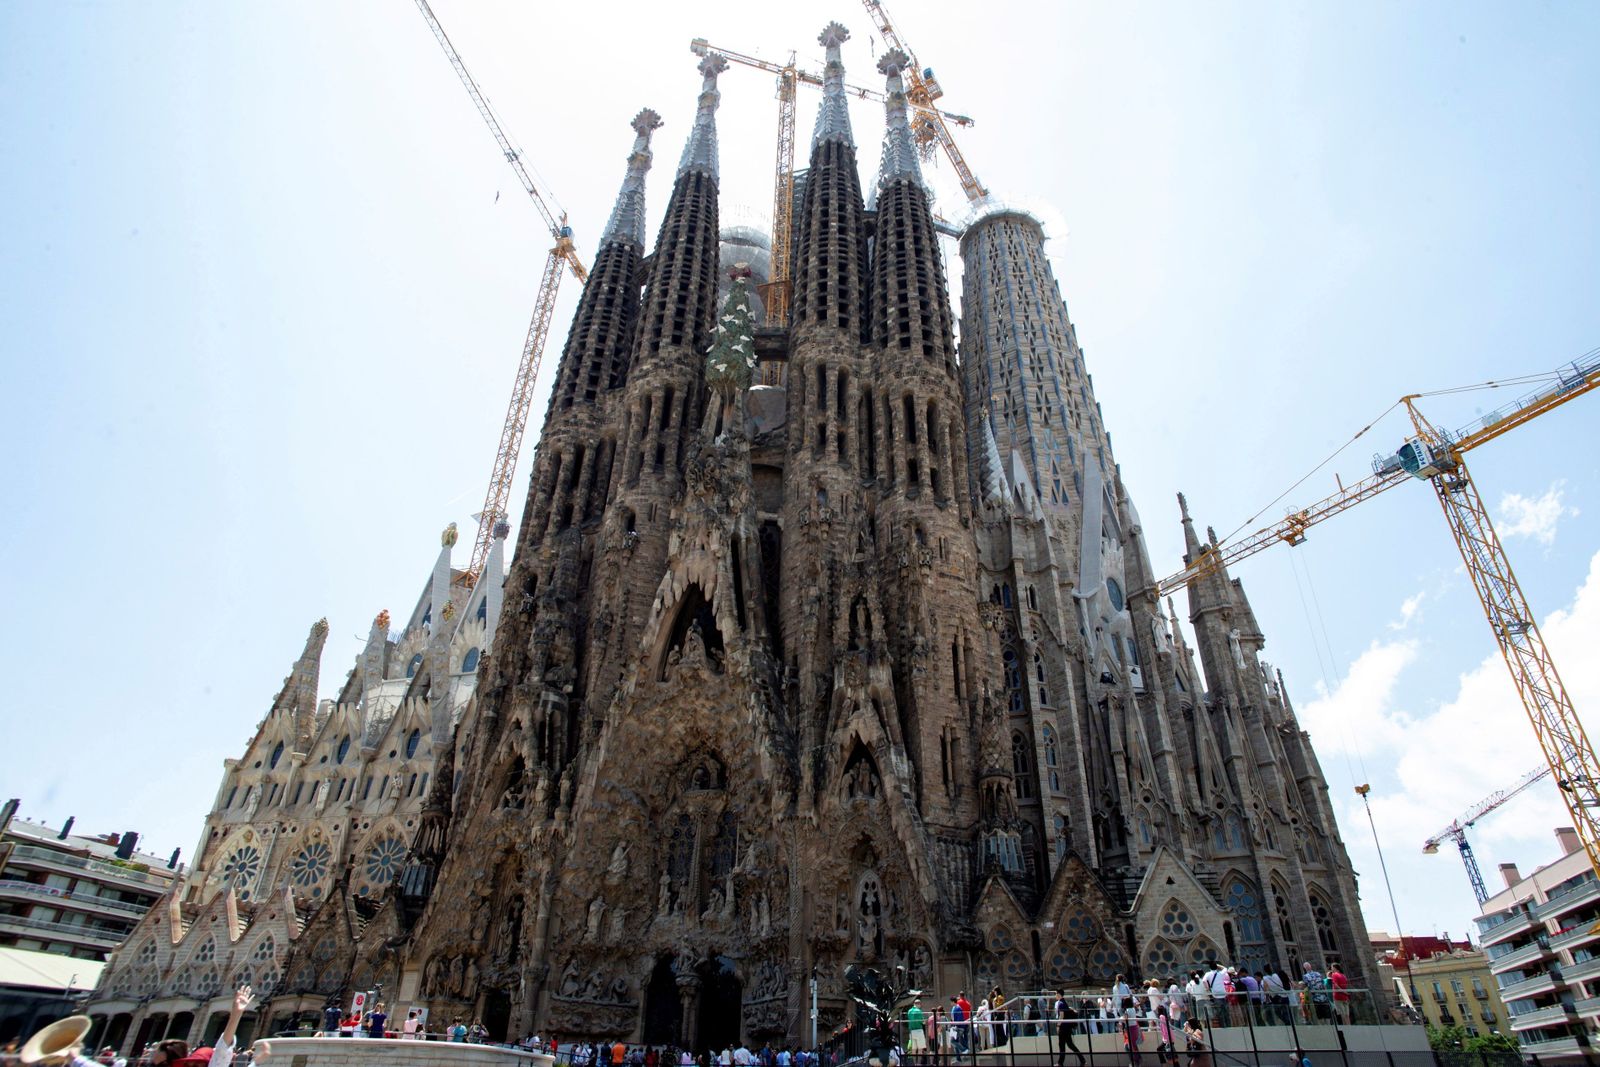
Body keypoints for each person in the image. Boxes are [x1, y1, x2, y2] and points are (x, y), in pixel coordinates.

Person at [1053, 990, 1084, 1067]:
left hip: (1063, 1028)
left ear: (1059, 994)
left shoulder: (1060, 1003)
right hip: (1067, 1027)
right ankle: (1082, 1060)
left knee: (1062, 1045)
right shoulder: (1065, 1003)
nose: (1055, 995)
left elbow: (1061, 1016)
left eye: (1056, 994)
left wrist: (1058, 1026)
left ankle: (1060, 1063)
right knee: (1070, 1045)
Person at [905, 996, 928, 1063]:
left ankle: (914, 1063)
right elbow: (922, 1021)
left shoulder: (909, 1011)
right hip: (919, 1031)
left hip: (912, 1031)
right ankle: (918, 1063)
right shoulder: (919, 1011)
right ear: (919, 1004)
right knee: (920, 1048)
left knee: (913, 1049)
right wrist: (925, 1021)